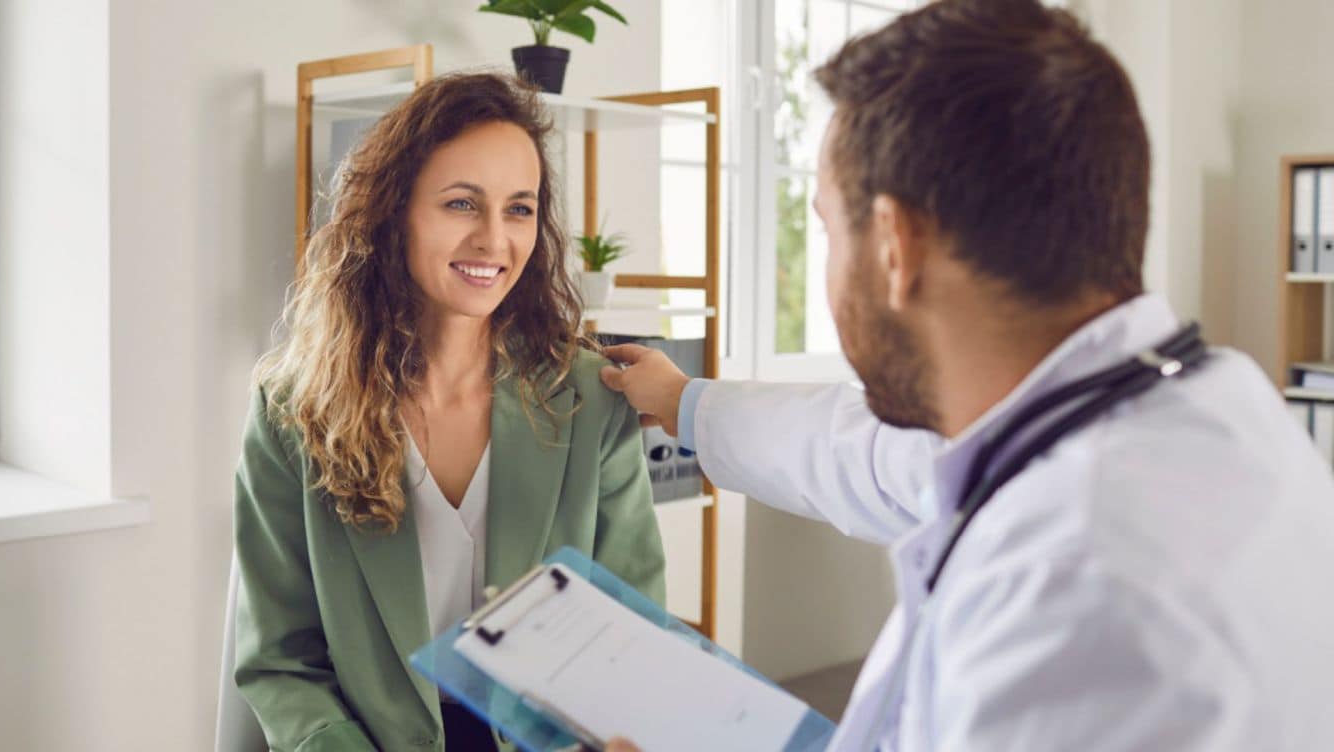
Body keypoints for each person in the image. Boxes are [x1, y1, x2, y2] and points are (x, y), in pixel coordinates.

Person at [601, 0, 1334, 749]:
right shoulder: (1201, 405)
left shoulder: (1078, 585)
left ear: (895, 245)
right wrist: (688, 404)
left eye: (827, 227)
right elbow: (869, 454)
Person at [232, 72, 665, 752]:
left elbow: (630, 632)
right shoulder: (292, 410)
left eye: (519, 209)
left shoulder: (590, 400)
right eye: (463, 204)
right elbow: (281, 661)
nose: (495, 240)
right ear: (394, 210)